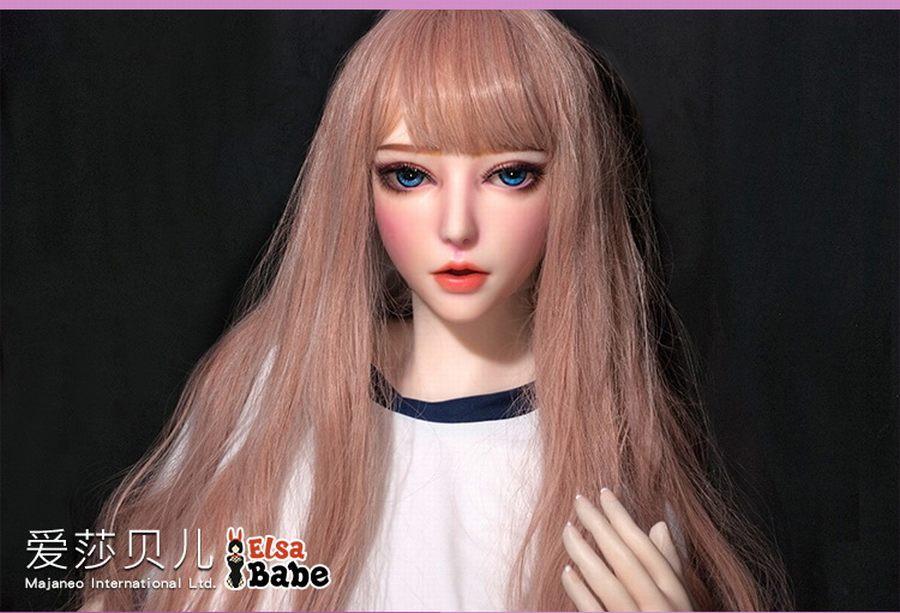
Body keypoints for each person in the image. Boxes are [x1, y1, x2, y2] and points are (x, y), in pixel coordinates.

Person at [78, 10, 792, 611]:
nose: (456, 226)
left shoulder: (604, 450)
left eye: (511, 174)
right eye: (409, 174)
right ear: (359, 185)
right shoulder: (267, 389)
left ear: (571, 185)